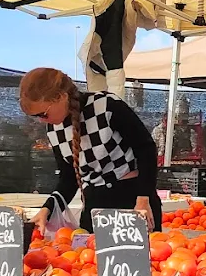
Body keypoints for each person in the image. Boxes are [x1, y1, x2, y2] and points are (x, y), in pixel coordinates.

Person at [20, 68, 161, 234]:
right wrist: (47, 209)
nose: (42, 121)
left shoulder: (107, 106)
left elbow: (146, 149)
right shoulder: (53, 129)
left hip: (133, 202)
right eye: (36, 116)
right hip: (93, 209)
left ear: (60, 97)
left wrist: (143, 198)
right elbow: (68, 178)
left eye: (43, 114)